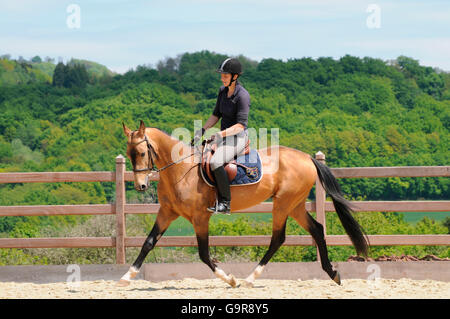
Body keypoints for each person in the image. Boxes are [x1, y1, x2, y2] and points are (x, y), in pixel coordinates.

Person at [191, 58, 250, 214]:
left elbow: (240, 125)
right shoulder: (222, 91)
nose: (222, 78)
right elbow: (216, 115)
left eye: (225, 75)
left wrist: (219, 134)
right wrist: (202, 130)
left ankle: (225, 203)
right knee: (199, 156)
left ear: (235, 76)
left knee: (216, 162)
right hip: (223, 137)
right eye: (222, 75)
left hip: (238, 137)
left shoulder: (243, 96)